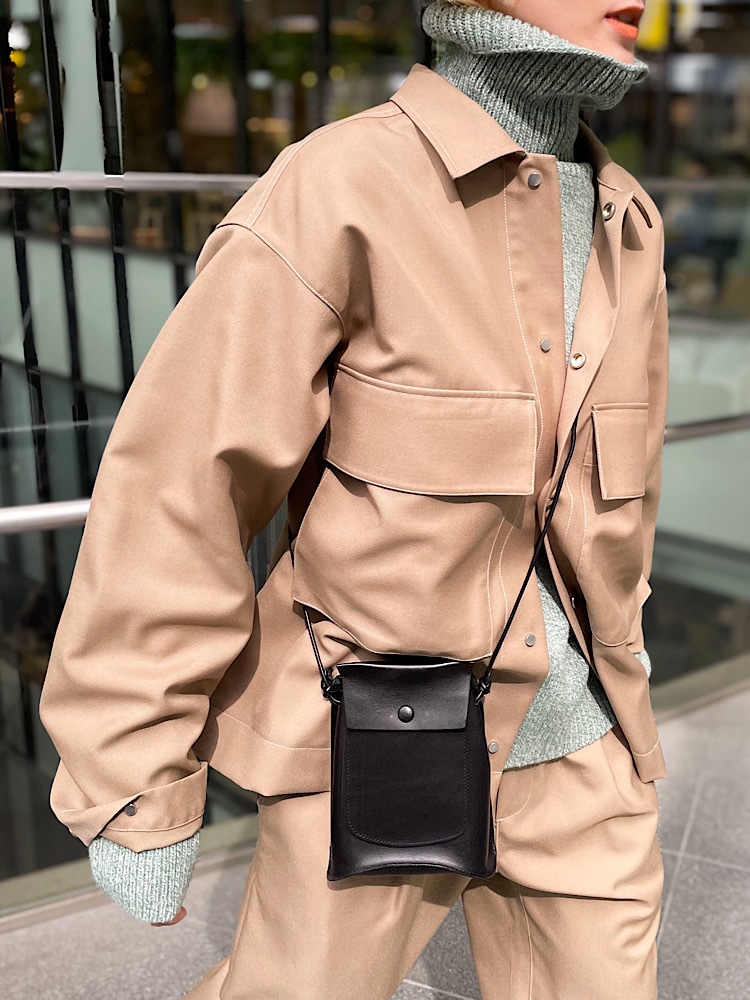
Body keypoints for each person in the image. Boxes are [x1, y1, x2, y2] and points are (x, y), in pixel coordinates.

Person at [39, 0, 669, 996]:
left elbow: (618, 502)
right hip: (377, 739)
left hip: (587, 748)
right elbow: (182, 486)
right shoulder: (339, 188)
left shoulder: (627, 223)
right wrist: (134, 779)